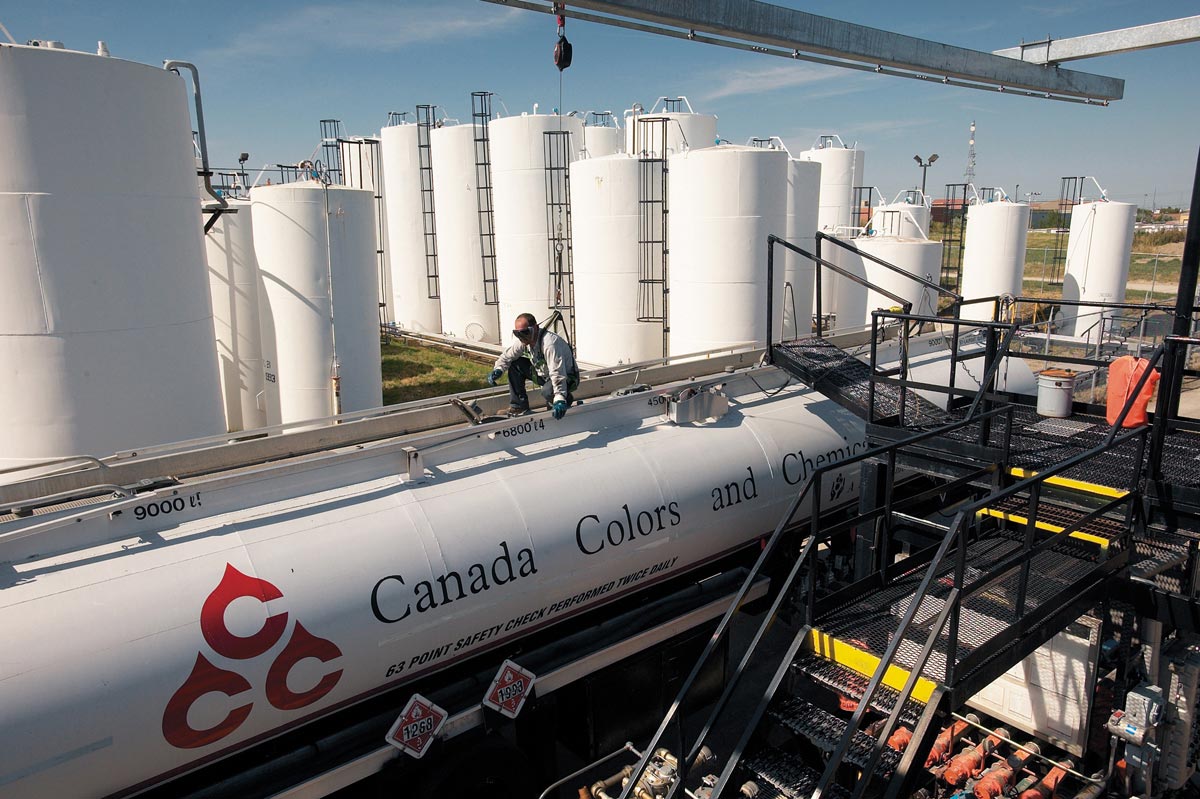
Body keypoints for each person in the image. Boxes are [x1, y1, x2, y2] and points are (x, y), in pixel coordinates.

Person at [487, 313, 579, 419]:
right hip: (544, 374)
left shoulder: (549, 344)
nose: (521, 337)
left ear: (535, 328)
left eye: (524, 333)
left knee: (547, 391)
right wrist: (498, 369)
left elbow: (557, 372)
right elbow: (507, 356)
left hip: (566, 377)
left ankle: (565, 399)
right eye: (518, 334)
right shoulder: (524, 340)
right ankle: (518, 406)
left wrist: (559, 397)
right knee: (516, 365)